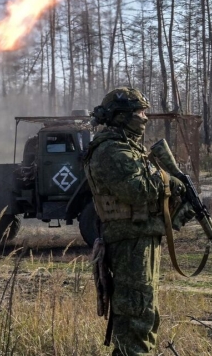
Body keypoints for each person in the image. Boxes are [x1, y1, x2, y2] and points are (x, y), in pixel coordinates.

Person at [85, 87, 193, 356]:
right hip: (129, 244)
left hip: (140, 240)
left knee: (144, 316)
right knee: (136, 316)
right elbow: (135, 189)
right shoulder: (110, 150)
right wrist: (170, 180)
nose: (144, 117)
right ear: (122, 117)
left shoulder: (127, 148)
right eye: (139, 112)